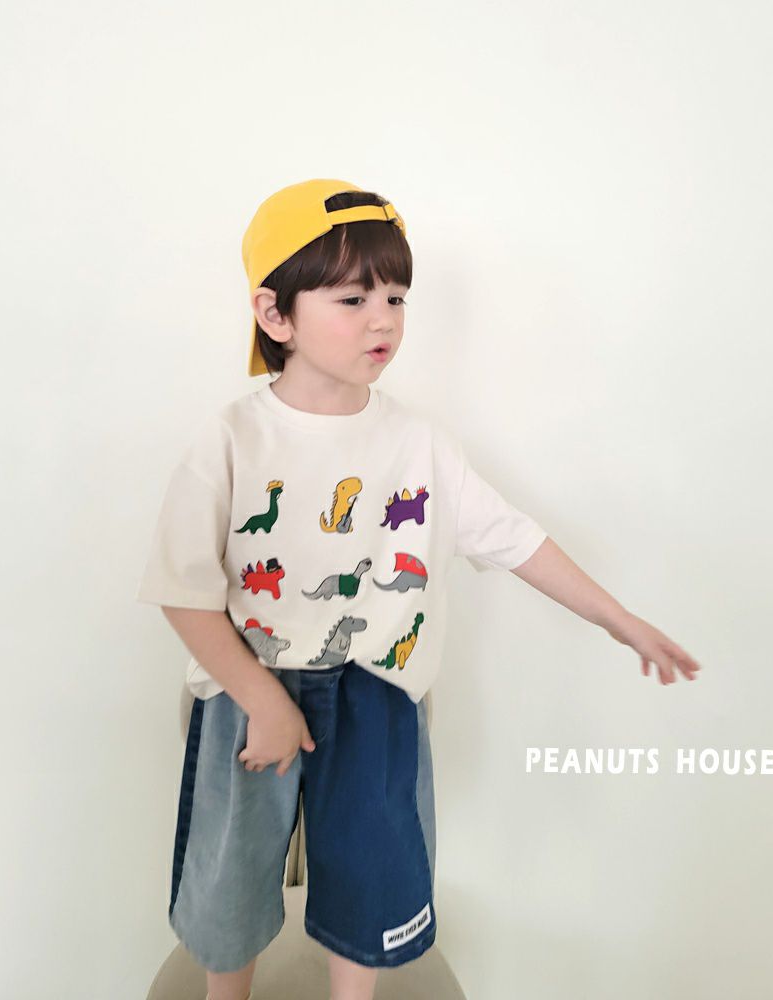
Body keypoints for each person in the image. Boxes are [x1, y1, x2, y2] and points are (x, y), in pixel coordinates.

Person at [136, 178, 702, 1000]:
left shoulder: (418, 444)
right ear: (275, 315)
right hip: (246, 690)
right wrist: (261, 699)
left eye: (396, 298)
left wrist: (620, 620)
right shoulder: (230, 441)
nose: (384, 321)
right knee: (232, 872)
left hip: (374, 690)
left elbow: (512, 536)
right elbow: (183, 591)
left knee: (372, 868)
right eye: (353, 298)